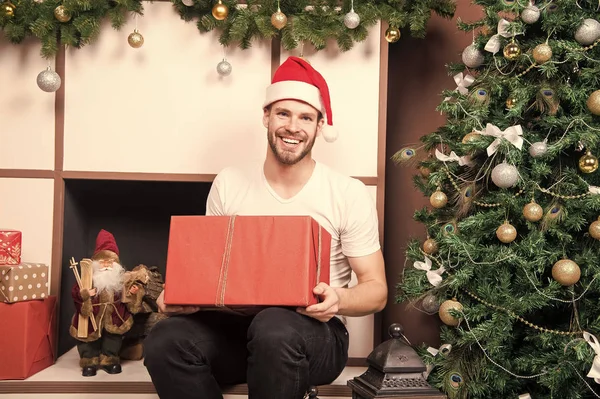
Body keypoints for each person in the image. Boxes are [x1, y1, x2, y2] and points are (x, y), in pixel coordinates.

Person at [143, 56, 388, 399]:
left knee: (273, 326)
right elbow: (214, 279)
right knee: (164, 339)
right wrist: (184, 300)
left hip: (316, 336)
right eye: (283, 114)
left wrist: (339, 298)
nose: (293, 127)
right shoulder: (229, 182)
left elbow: (376, 291)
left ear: (320, 125)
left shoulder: (348, 193)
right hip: (240, 333)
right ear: (266, 117)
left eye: (305, 117)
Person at [70, 229, 145, 377]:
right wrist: (85, 294)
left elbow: (127, 296)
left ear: (116, 264)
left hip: (114, 316)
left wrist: (133, 293)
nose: (106, 265)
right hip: (92, 315)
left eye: (110, 262)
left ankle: (109, 360)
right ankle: (89, 361)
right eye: (103, 261)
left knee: (113, 339)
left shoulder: (119, 279)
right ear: (96, 263)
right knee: (88, 339)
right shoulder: (89, 278)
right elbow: (76, 292)